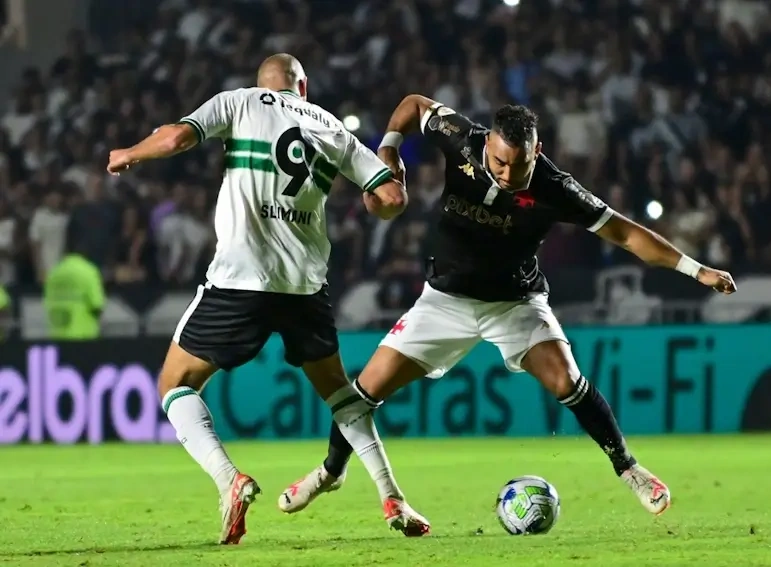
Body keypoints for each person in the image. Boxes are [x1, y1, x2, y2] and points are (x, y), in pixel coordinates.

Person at [281, 95, 738, 520]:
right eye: (499, 160)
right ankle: (329, 472)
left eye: (518, 165)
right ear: (489, 144)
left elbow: (625, 233)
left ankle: (629, 468)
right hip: (443, 302)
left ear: (536, 154)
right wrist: (390, 150)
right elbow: (413, 105)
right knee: (361, 393)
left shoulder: (555, 187)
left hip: (515, 304)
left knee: (567, 380)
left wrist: (696, 270)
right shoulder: (459, 136)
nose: (505, 172)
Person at [105, 54, 427, 545]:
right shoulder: (331, 126)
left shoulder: (240, 102)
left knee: (174, 384)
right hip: (304, 287)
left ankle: (229, 480)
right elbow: (391, 201)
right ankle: (392, 496)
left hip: (241, 278)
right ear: (304, 85)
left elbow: (175, 137)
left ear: (263, 84)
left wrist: (130, 151)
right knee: (341, 394)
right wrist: (387, 166)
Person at [43, 243, 105, 340]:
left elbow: (47, 303)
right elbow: (97, 305)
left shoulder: (53, 272)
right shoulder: (89, 271)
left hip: (56, 337)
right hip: (83, 338)